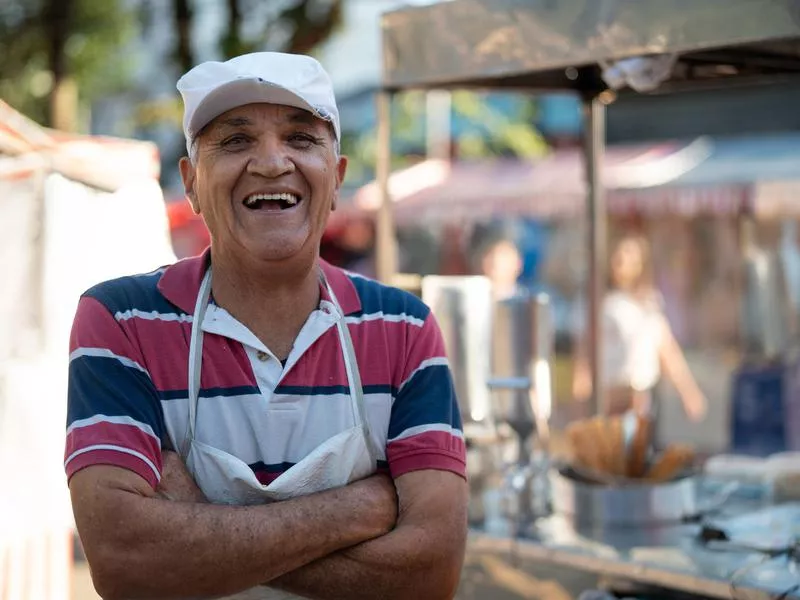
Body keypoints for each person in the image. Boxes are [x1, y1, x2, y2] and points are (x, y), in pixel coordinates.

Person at [65, 52, 467, 600]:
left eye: (302, 139)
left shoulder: (403, 328)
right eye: (234, 141)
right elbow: (123, 563)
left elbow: (432, 573)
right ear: (191, 182)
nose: (272, 162)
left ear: (338, 177)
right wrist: (359, 507)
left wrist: (196, 528)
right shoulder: (122, 321)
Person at [573, 233, 707, 422]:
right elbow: (584, 348)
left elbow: (666, 349)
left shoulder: (649, 302)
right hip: (610, 395)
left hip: (642, 395)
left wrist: (688, 391)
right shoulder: (599, 302)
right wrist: (581, 388)